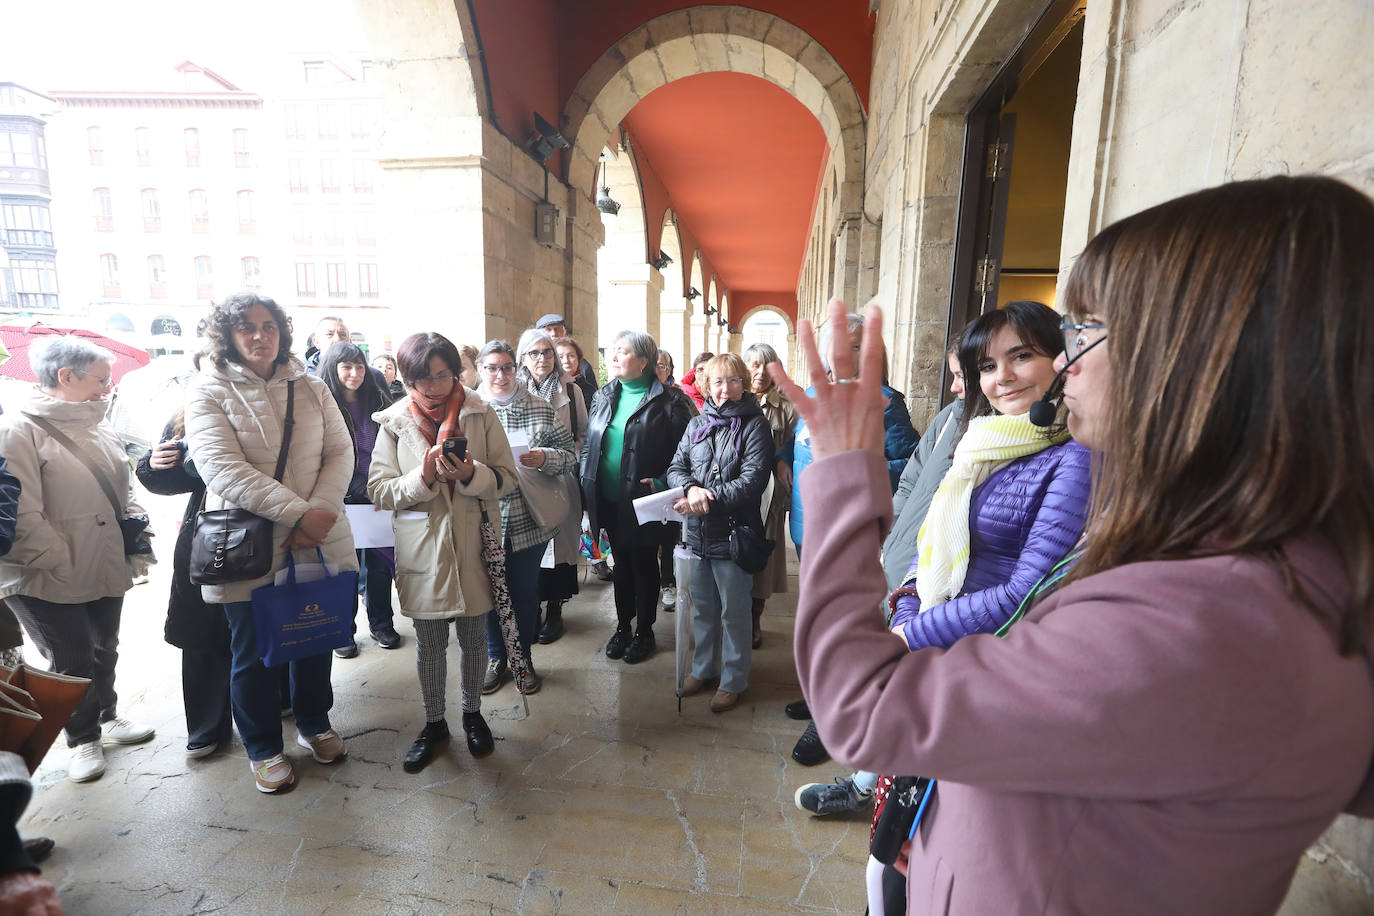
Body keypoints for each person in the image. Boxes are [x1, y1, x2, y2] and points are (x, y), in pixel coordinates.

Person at [787, 176, 1374, 916]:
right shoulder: (1230, 559)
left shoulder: (1204, 618)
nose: (1067, 363)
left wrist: (844, 469)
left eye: (1087, 329)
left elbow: (864, 705)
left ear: (1198, 355)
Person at [185, 293, 357, 794]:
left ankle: (314, 722)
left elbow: (340, 450)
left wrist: (319, 514)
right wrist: (300, 514)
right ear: (227, 335)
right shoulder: (208, 390)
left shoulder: (310, 385)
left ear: (282, 331)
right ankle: (262, 746)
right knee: (254, 651)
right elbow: (221, 468)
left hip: (318, 533)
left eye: (269, 326)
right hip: (250, 542)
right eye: (247, 327)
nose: (260, 336)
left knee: (316, 633)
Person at [0, 336, 156, 784]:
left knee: (105, 646)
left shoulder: (98, 424)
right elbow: (19, 511)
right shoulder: (18, 429)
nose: (107, 388)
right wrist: (58, 556)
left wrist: (134, 520)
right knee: (71, 658)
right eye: (100, 380)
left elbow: (122, 484)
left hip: (103, 556)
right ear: (65, 377)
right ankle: (81, 737)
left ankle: (106, 714)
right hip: (46, 571)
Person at [368, 332, 517, 773]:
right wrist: (424, 478)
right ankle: (434, 722)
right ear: (407, 378)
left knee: (474, 638)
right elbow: (379, 490)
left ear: (456, 372)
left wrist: (471, 473)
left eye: (443, 375)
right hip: (423, 548)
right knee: (430, 644)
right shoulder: (394, 421)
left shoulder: (480, 411)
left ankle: (473, 713)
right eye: (424, 378)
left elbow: (508, 478)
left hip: (473, 543)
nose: (435, 386)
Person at [785, 311, 920, 768]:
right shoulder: (812, 394)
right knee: (816, 614)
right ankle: (817, 693)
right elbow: (799, 442)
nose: (845, 352)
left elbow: (907, 463)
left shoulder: (885, 402)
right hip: (808, 524)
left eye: (857, 344)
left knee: (844, 618)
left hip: (849, 527)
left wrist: (852, 464)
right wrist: (783, 459)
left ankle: (830, 717)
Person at [667, 353, 775, 712]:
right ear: (706, 386)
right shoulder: (697, 423)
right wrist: (689, 489)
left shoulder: (755, 425)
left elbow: (752, 481)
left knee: (734, 612)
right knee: (703, 609)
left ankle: (733, 680)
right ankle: (703, 669)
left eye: (733, 380)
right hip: (698, 535)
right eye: (717, 381)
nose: (725, 388)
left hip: (733, 534)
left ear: (743, 384)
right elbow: (676, 466)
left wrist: (705, 499)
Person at [136, 382, 234, 760]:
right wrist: (153, 464)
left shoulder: (276, 397)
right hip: (209, 531)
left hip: (269, 521)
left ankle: (279, 700)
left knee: (264, 623)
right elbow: (170, 478)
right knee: (203, 630)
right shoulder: (189, 409)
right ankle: (207, 724)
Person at [582, 330, 693, 664]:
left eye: (622, 351)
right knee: (620, 564)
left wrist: (663, 481)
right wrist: (585, 484)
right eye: (612, 350)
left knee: (644, 564)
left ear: (644, 361)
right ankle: (622, 628)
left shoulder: (671, 401)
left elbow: (688, 453)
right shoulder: (603, 396)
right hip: (608, 497)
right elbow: (591, 445)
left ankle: (645, 631)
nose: (613, 356)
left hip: (646, 500)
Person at [475, 340, 576, 694]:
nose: (500, 375)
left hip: (528, 519)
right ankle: (495, 657)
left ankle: (523, 659)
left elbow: (569, 455)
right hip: (483, 518)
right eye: (492, 368)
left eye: (507, 367)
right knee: (488, 592)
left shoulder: (539, 407)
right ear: (480, 370)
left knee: (524, 592)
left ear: (516, 368)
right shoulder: (470, 410)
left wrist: (545, 457)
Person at [319, 341, 402, 657]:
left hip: (379, 491)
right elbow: (324, 456)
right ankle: (343, 631)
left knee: (379, 566)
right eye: (346, 367)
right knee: (345, 568)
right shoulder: (323, 403)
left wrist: (384, 484)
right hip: (344, 497)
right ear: (334, 369)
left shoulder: (376, 396)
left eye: (359, 367)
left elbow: (391, 441)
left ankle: (382, 624)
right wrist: (358, 487)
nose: (354, 373)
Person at [516, 328, 586, 645]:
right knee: (529, 549)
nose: (541, 358)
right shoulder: (514, 390)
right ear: (523, 358)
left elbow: (582, 434)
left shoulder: (570, 390)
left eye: (547, 352)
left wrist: (560, 457)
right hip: (523, 479)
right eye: (534, 353)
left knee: (558, 548)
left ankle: (555, 609)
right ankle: (531, 610)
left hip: (559, 477)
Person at [742, 343, 799, 649]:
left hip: (769, 498)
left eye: (767, 365)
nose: (760, 372)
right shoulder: (734, 399)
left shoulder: (787, 408)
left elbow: (793, 451)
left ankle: (754, 619)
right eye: (754, 364)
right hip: (737, 493)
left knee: (762, 562)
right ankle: (735, 616)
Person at [653, 349, 698, 612]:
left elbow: (689, 442)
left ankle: (668, 582)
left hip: (672, 476)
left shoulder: (679, 400)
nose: (657, 370)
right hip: (643, 478)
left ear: (669, 370)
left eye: (662, 366)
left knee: (670, 533)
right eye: (653, 365)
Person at [535, 313, 598, 394]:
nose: (554, 334)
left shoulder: (583, 366)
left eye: (557, 329)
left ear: (564, 332)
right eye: (548, 330)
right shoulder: (533, 363)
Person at [555, 336, 598, 410]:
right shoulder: (546, 388)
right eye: (560, 357)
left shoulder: (590, 392)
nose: (566, 361)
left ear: (578, 359)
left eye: (571, 356)